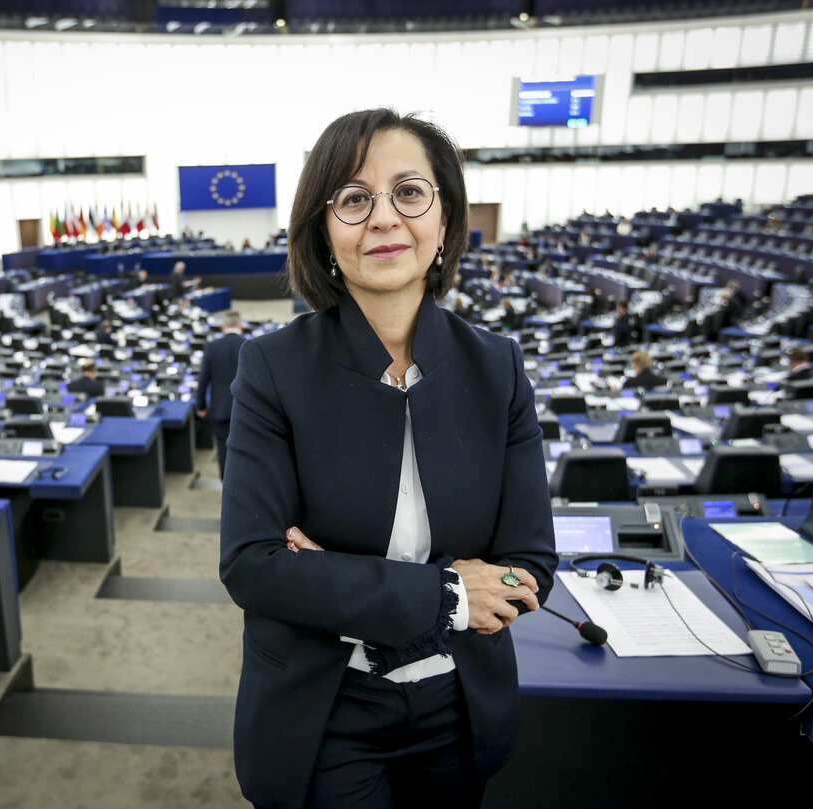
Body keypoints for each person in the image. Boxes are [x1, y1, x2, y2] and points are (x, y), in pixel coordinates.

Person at [219, 109, 557, 809]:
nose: (383, 218)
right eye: (352, 198)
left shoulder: (498, 367)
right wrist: (447, 595)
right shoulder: (272, 366)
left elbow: (529, 566)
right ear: (323, 229)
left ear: (444, 218)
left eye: (409, 191)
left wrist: (330, 579)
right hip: (326, 711)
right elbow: (254, 564)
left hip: (458, 709)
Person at [195, 310, 245, 479]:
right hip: (245, 410)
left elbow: (203, 380)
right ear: (241, 326)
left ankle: (226, 484)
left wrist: (200, 406)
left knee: (223, 449)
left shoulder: (212, 347)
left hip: (220, 409)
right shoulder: (250, 345)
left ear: (222, 327)